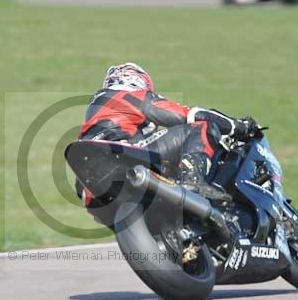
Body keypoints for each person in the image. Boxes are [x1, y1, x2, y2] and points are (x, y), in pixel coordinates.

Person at [78, 62, 261, 201]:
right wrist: (238, 126)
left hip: (92, 187)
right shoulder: (131, 96)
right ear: (136, 80)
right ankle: (192, 180)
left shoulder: (94, 112)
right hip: (120, 154)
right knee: (201, 126)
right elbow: (192, 115)